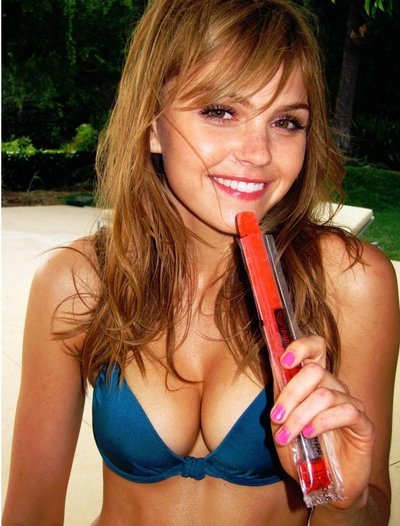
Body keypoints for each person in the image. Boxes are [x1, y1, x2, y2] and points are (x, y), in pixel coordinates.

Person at [3, 0, 399, 524]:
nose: (258, 152)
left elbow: (367, 508)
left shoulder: (350, 282)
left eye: (286, 121)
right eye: (220, 111)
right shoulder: (78, 282)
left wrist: (341, 498)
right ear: (152, 124)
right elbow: (30, 511)